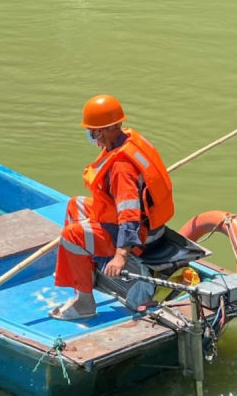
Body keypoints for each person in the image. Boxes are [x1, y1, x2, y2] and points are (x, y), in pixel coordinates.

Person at [50, 94, 174, 320]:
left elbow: (129, 215)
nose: (91, 135)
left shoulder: (121, 167)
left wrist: (120, 256)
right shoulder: (123, 141)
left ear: (104, 130)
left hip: (138, 234)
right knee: (75, 204)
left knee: (71, 236)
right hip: (138, 221)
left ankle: (85, 303)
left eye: (92, 131)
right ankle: (86, 269)